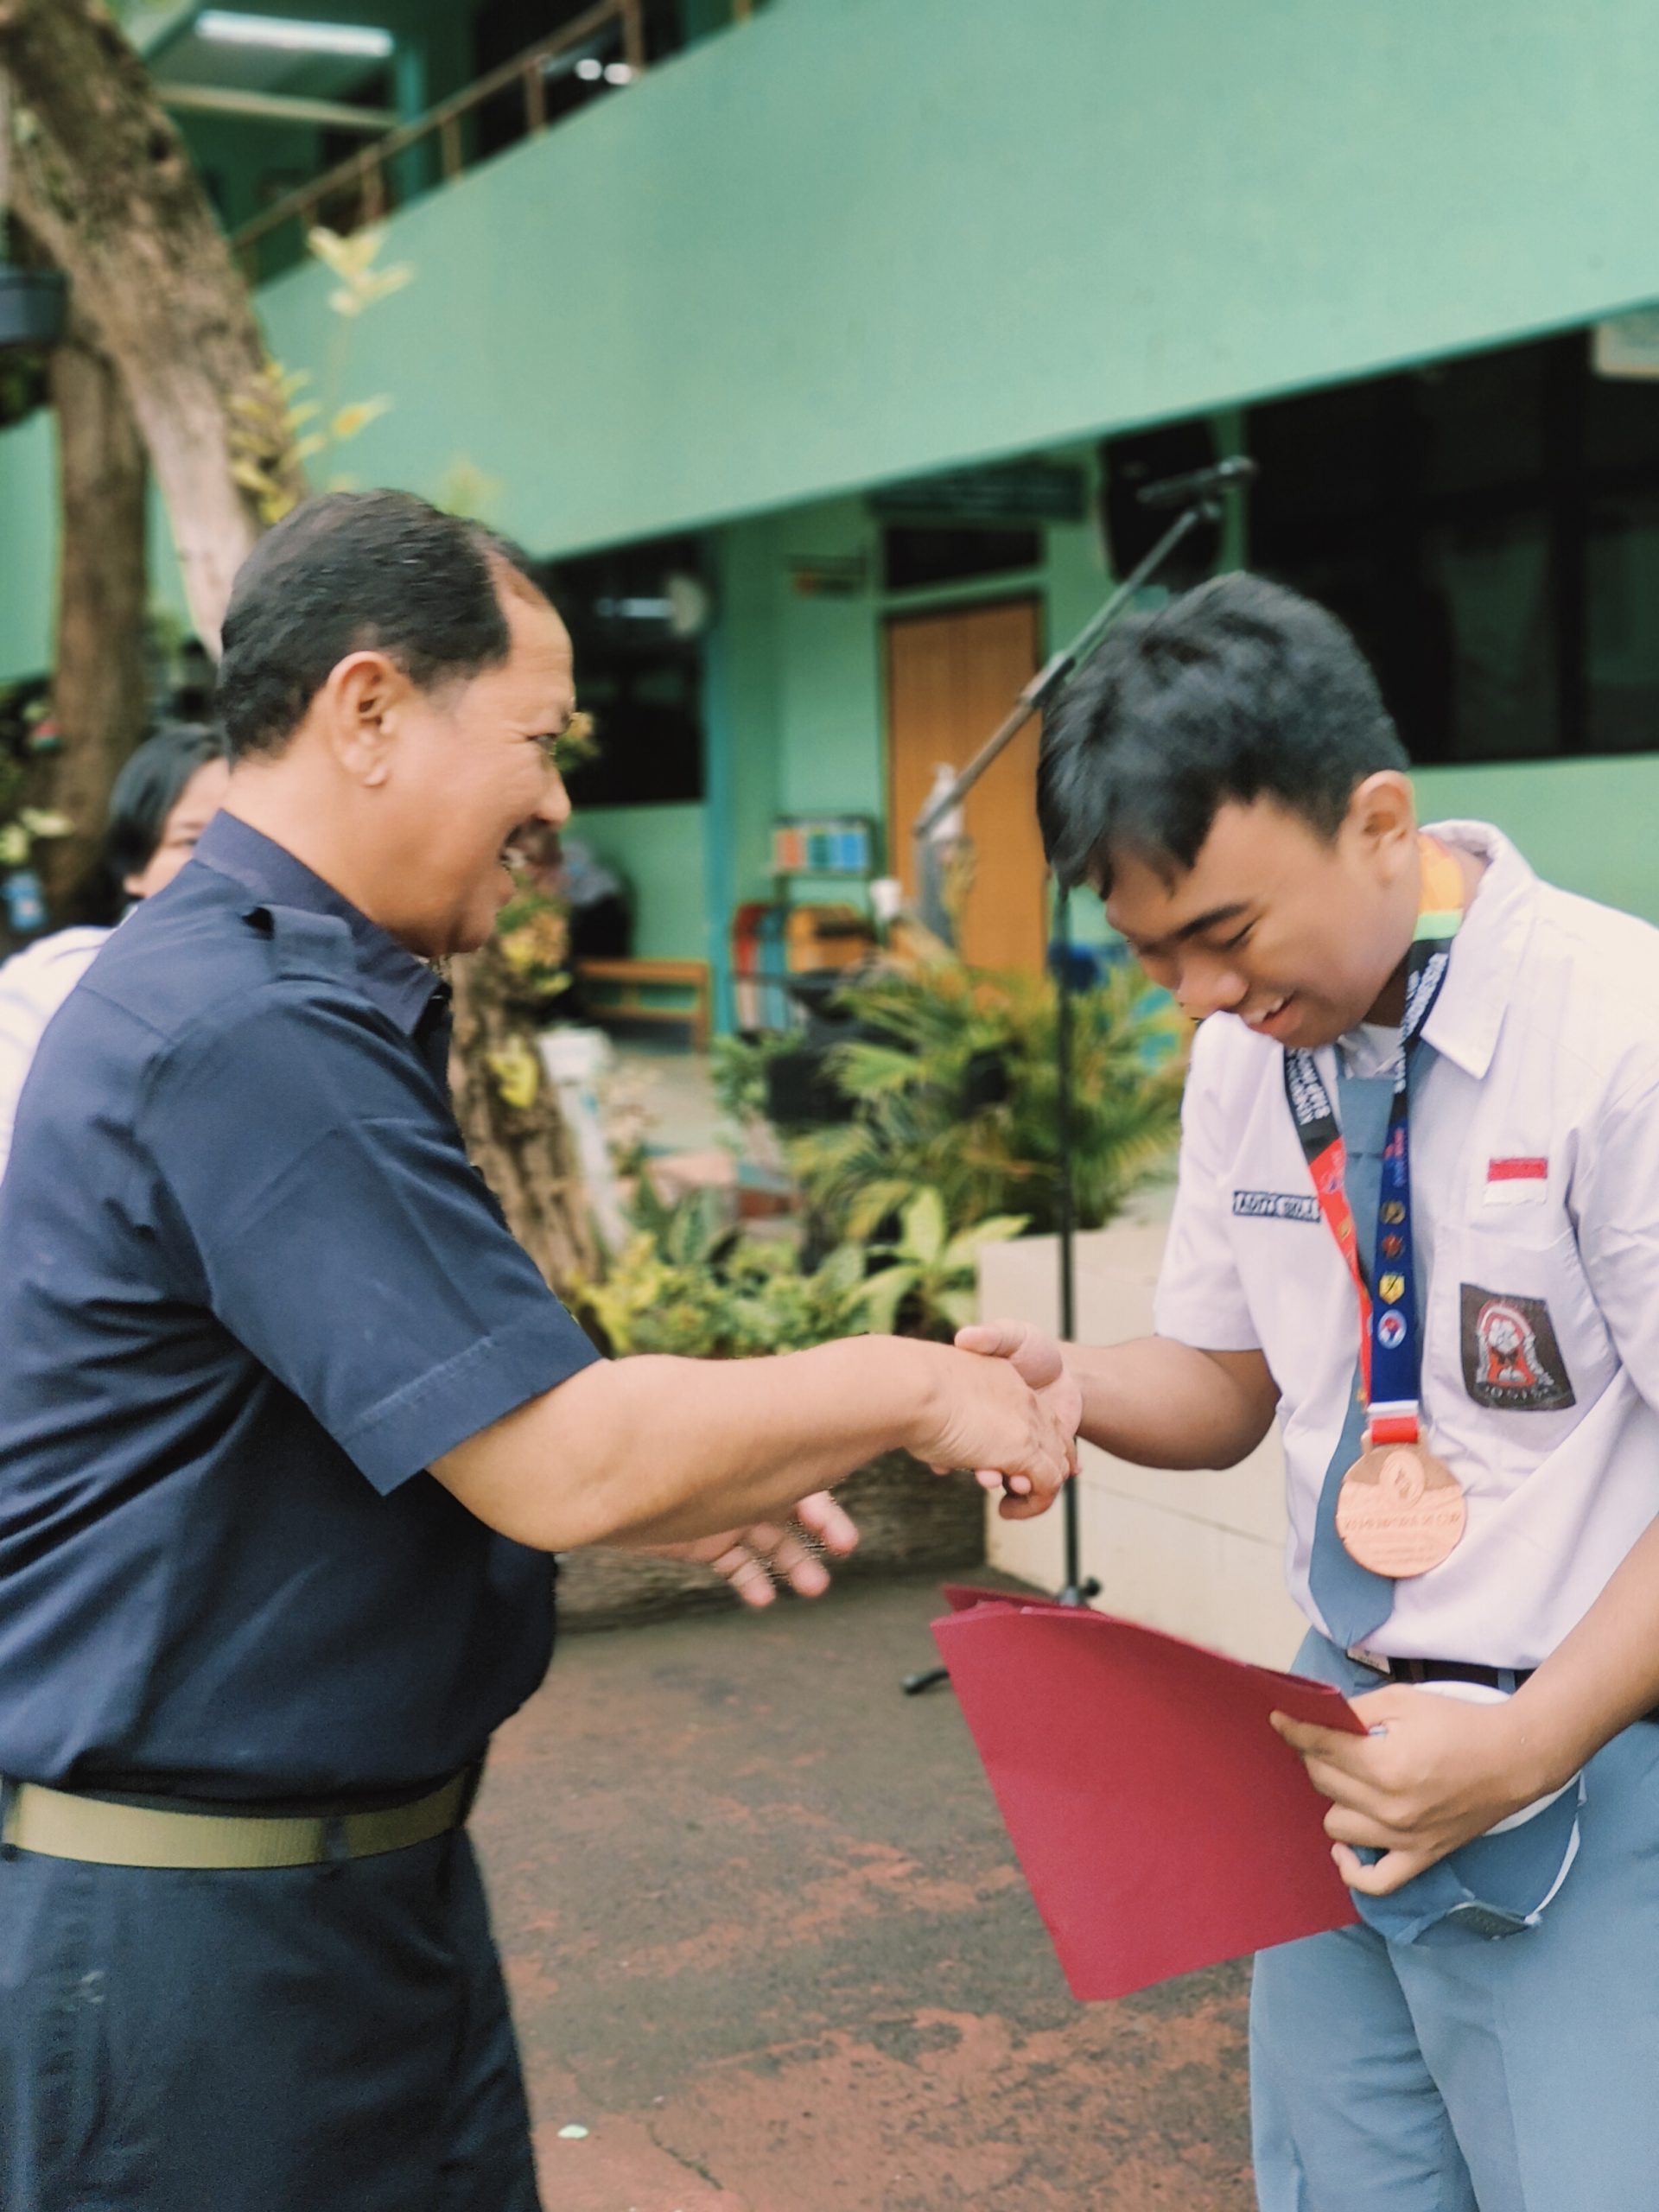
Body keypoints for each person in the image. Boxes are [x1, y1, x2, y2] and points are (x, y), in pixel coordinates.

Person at [0, 490, 1078, 2212]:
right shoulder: (251, 1028)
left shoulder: (266, 993)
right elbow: (561, 1454)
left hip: (344, 1901)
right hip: (208, 1957)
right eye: (538, 740)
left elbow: (437, 1417)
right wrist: (918, 1380)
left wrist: (692, 1470)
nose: (560, 801)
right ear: (369, 710)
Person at [966, 572, 1659, 2211]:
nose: (1199, 995)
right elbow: (1228, 1381)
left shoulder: (1618, 1035)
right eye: (1152, 955)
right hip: (1332, 1738)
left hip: (1580, 1744)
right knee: (1345, 2181)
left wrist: (1527, 1745)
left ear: (1380, 822)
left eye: (1223, 935)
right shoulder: (1249, 1055)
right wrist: (1065, 1385)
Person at [0, 720, 229, 1182]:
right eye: (192, 841)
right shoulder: (56, 983)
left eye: (249, 843)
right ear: (135, 867)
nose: (225, 865)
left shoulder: (323, 987)